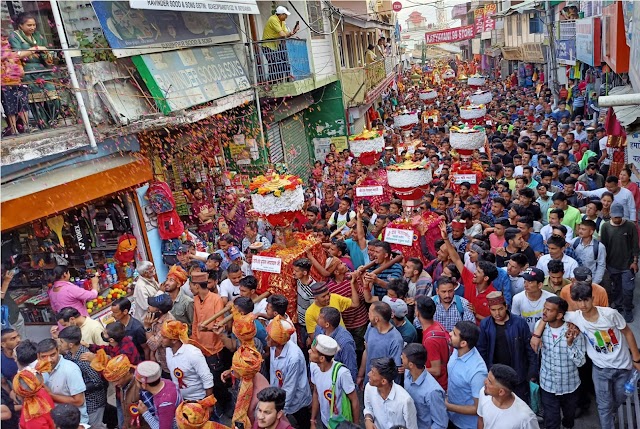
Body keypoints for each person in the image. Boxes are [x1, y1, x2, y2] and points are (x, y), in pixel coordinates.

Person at [531, 281, 640, 428]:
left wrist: (636, 359)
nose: (583, 305)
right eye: (579, 301)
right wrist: (537, 334)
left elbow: (627, 332)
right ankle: (608, 420)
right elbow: (550, 315)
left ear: (592, 298)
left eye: (586, 300)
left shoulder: (610, 314)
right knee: (603, 405)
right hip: (600, 368)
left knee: (621, 397)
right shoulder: (575, 317)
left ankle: (612, 412)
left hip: (623, 365)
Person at [477, 292, 537, 403]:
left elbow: (529, 350)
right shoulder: (485, 324)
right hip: (496, 375)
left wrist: (531, 373)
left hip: (518, 373)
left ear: (506, 306)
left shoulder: (519, 323)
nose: (497, 313)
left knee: (519, 404)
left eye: (500, 309)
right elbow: (482, 350)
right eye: (493, 310)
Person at [538, 297, 586, 429]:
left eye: (549, 310)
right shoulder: (540, 327)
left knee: (569, 419)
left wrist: (570, 345)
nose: (544, 312)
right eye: (544, 308)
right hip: (548, 385)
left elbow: (581, 362)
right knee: (552, 422)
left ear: (559, 315)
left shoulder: (574, 332)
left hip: (569, 386)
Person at [8, 12, 61, 128]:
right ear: (20, 25)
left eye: (34, 25)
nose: (32, 27)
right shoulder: (15, 36)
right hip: (27, 71)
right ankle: (43, 125)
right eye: (29, 25)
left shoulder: (38, 36)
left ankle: (53, 120)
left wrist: (48, 56)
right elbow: (16, 54)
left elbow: (45, 53)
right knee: (37, 102)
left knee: (54, 98)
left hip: (42, 71)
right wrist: (36, 48)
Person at [266, 315, 311, 428]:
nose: (267, 339)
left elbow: (290, 388)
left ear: (278, 341)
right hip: (281, 395)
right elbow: (273, 372)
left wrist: (281, 411)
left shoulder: (293, 358)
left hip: (296, 398)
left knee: (302, 420)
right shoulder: (273, 347)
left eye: (270, 337)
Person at [57, 326, 107, 428]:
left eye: (62, 342)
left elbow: (97, 382)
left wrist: (78, 388)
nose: (60, 345)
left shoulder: (84, 358)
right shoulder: (70, 354)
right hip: (85, 403)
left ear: (70, 345)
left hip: (93, 403)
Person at [599, 203, 639, 322]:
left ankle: (627, 309)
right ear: (610, 214)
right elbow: (604, 246)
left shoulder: (630, 226)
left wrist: (635, 261)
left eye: (619, 217)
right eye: (615, 217)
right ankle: (618, 305)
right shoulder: (605, 227)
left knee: (628, 289)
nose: (617, 219)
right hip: (612, 264)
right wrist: (605, 264)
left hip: (627, 264)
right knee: (616, 288)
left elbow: (635, 246)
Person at [309, 335, 359, 429]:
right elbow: (316, 393)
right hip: (325, 422)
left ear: (322, 359)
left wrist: (355, 426)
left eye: (312, 351)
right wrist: (313, 420)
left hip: (341, 424)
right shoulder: (313, 366)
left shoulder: (342, 373)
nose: (309, 352)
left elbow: (354, 400)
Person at [446, 321, 488, 429]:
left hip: (465, 425)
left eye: (454, 334)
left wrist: (447, 406)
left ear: (463, 343)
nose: (450, 334)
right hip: (451, 417)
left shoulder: (477, 372)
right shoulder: (457, 350)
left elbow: (477, 408)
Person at [37, 339, 89, 426]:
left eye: (52, 355)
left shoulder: (71, 370)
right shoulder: (38, 369)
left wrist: (50, 395)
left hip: (74, 423)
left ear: (58, 351)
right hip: (55, 421)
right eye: (44, 356)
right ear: (38, 356)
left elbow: (79, 401)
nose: (49, 360)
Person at [160, 320, 214, 401]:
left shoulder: (193, 354)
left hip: (197, 399)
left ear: (174, 340)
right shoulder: (168, 350)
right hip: (180, 398)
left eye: (164, 337)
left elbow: (207, 379)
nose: (161, 339)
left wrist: (208, 403)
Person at [477, 364, 539, 429]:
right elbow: (481, 420)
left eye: (489, 381)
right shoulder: (484, 393)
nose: (485, 381)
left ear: (501, 392)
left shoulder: (526, 417)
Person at [402, 343, 448, 429]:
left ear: (411, 365)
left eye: (403, 357)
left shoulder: (433, 392)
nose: (401, 358)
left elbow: (440, 423)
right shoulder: (408, 373)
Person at [358, 301, 404, 387]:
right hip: (369, 381)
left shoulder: (395, 340)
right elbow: (367, 351)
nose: (368, 314)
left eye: (370, 313)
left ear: (376, 319)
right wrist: (361, 375)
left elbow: (395, 370)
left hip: (384, 388)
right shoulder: (370, 327)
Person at [363, 357, 417, 429]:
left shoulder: (405, 400)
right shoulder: (369, 388)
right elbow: (368, 408)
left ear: (383, 381)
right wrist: (368, 420)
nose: (368, 374)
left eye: (373, 373)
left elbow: (412, 427)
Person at [313, 306, 358, 383]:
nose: (317, 318)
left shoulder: (345, 342)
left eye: (320, 317)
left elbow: (350, 368)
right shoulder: (319, 329)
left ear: (327, 324)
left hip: (336, 382)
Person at [134, 361, 181, 429]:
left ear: (143, 385)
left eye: (136, 380)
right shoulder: (167, 382)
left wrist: (145, 413)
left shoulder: (165, 404)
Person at [511, 267, 554, 332]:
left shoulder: (551, 299)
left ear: (539, 285)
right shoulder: (517, 298)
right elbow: (514, 321)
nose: (525, 285)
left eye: (530, 282)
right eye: (525, 281)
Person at [261, 6, 298, 82]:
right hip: (267, 46)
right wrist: (289, 34)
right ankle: (270, 82)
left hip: (275, 46)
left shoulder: (282, 22)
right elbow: (282, 34)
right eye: (285, 15)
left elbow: (285, 33)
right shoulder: (273, 19)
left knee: (279, 63)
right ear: (281, 15)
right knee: (273, 63)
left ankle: (277, 81)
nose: (287, 16)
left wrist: (293, 33)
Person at [141, 293, 175, 375]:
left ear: (158, 311)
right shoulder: (156, 318)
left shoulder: (167, 324)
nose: (148, 308)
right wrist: (153, 354)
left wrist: (147, 328)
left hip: (169, 366)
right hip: (161, 360)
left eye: (151, 306)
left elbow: (153, 345)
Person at [571, 220, 607, 285]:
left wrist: (595, 283)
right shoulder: (574, 242)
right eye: (580, 229)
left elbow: (601, 266)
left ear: (591, 232)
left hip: (590, 280)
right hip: (575, 280)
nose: (580, 231)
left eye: (583, 229)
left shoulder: (599, 247)